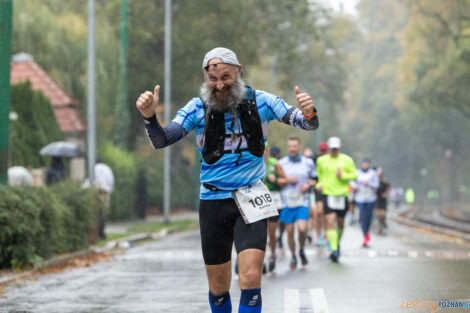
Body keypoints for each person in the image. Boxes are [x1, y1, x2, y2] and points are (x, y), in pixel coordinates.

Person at [136, 47, 319, 313]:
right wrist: (150, 117)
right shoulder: (197, 108)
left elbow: (305, 123)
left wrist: (310, 112)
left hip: (252, 196)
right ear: (205, 78)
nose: (220, 85)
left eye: (226, 77)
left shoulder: (262, 102)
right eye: (213, 79)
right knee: (219, 288)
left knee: (251, 277)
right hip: (213, 200)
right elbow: (162, 139)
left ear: (239, 72)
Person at [316, 137, 357, 262]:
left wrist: (343, 175)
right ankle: (334, 249)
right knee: (330, 221)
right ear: (328, 148)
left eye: (336, 149)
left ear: (339, 148)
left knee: (340, 223)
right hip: (328, 194)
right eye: (332, 148)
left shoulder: (347, 160)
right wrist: (319, 185)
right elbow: (320, 176)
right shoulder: (321, 161)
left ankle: (336, 243)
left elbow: (354, 175)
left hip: (342, 195)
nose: (334, 151)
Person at [279, 138, 317, 269]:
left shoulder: (308, 162)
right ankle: (294, 255)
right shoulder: (281, 163)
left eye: (295, 146)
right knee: (289, 231)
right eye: (290, 146)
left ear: (299, 147)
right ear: (287, 147)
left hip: (303, 200)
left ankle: (301, 250)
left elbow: (314, 180)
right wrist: (286, 180)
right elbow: (278, 181)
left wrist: (308, 185)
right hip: (287, 201)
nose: (292, 149)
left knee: (301, 228)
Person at [265, 146, 288, 272]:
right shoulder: (251, 161)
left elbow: (285, 181)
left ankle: (273, 253)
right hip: (256, 199)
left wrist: (277, 180)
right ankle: (260, 260)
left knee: (271, 232)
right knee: (260, 232)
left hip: (274, 199)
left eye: (264, 149)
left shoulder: (275, 164)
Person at [353, 158, 379, 247]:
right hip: (360, 198)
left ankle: (366, 233)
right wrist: (355, 186)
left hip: (370, 198)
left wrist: (369, 184)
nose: (366, 165)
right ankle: (365, 236)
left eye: (367, 164)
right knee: (363, 217)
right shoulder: (357, 173)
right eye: (365, 163)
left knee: (369, 217)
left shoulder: (373, 173)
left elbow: (376, 185)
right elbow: (352, 182)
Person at [312, 141, 328, 246]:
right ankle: (318, 234)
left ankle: (327, 234)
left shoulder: (330, 160)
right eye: (321, 151)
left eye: (324, 151)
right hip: (318, 189)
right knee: (319, 212)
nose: (323, 152)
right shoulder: (314, 159)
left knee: (327, 215)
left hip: (329, 189)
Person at [94, 161, 115, 240]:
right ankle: (102, 232)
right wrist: (109, 190)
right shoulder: (107, 169)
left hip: (97, 191)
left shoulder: (94, 168)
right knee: (104, 213)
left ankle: (97, 231)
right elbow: (111, 182)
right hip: (106, 191)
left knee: (96, 212)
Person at [375, 168, 390, 235]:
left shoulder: (385, 183)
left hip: (383, 200)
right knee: (378, 215)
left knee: (383, 215)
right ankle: (380, 228)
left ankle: (383, 224)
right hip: (378, 200)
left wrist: (386, 194)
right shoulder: (375, 182)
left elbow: (388, 189)